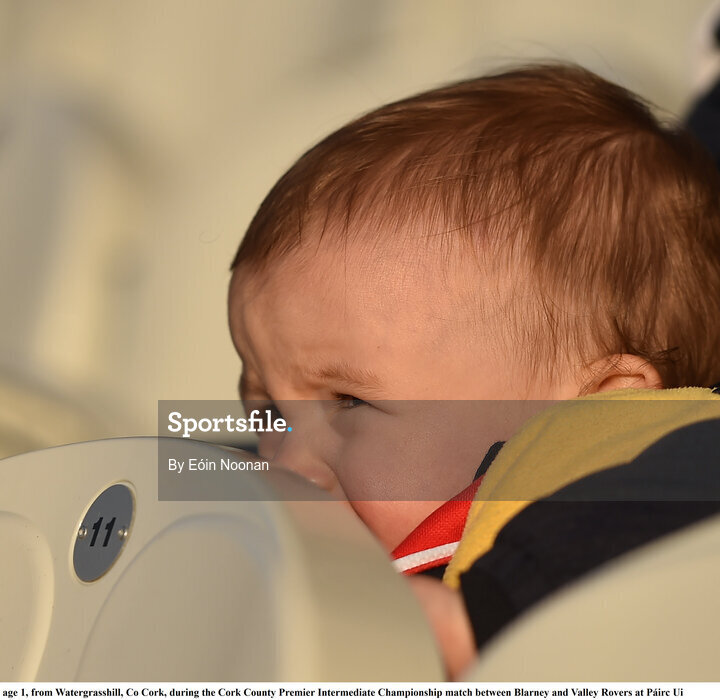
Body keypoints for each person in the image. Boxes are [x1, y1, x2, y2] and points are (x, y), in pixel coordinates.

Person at [226, 63, 720, 677]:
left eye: (349, 402)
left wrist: (489, 613)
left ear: (604, 410)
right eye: (269, 410)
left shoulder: (612, 495)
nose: (284, 463)